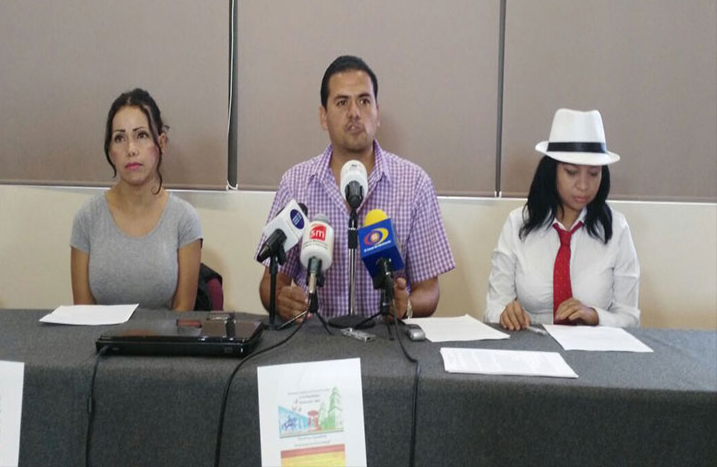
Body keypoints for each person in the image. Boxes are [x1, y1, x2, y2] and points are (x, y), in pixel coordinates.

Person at [256, 55, 455, 322]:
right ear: (323, 116)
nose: (354, 113)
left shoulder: (415, 184)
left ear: (377, 113)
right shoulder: (296, 183)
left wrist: (406, 305)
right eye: (342, 102)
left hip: (387, 338)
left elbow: (429, 290)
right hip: (314, 337)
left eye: (364, 101)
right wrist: (282, 301)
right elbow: (271, 282)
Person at [485, 108, 640, 330]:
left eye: (594, 173)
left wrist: (596, 316)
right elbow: (493, 307)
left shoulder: (617, 229)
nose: (584, 185)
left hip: (592, 346)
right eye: (571, 172)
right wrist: (505, 314)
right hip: (532, 343)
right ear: (552, 171)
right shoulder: (517, 223)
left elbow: (631, 319)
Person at [70, 88, 202, 310]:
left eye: (141, 135)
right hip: (101, 334)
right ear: (110, 151)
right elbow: (83, 312)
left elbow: (183, 314)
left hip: (166, 334)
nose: (131, 149)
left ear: (161, 143)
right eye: (119, 138)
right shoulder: (87, 218)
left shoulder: (184, 219)